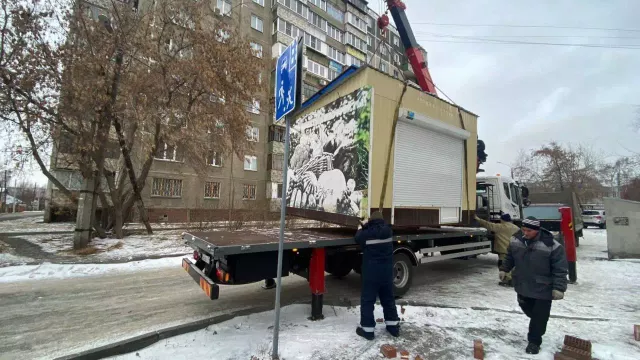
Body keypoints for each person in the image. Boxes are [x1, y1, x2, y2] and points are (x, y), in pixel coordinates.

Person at [500, 216, 568, 355]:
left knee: (539, 316)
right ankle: (537, 324)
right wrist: (504, 269)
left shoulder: (552, 245)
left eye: (529, 231)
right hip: (522, 284)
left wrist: (559, 288)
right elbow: (510, 256)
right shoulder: (516, 240)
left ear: (537, 230)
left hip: (544, 287)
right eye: (523, 229)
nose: (525, 233)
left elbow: (560, 268)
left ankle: (534, 342)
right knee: (527, 308)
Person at [354, 211, 400, 340]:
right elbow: (378, 231)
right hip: (386, 273)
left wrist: (361, 227)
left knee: (368, 300)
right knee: (388, 299)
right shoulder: (388, 231)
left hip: (371, 273)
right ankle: (393, 327)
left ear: (371, 221)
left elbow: (358, 238)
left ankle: (368, 331)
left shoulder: (367, 233)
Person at [474, 213, 520, 286]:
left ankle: (508, 280)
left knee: (503, 264)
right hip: (513, 249)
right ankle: (512, 279)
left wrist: (478, 219)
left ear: (502, 220)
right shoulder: (516, 228)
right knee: (512, 264)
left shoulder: (500, 227)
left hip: (503, 250)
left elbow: (488, 224)